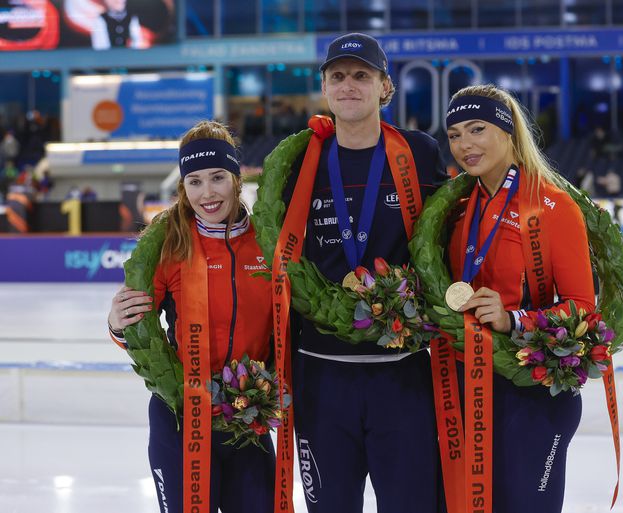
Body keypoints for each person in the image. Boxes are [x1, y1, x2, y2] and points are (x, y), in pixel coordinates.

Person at [285, 33, 445, 513]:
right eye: (337, 76)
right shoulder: (300, 159)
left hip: (402, 373)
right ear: (326, 89)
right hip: (321, 373)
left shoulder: (419, 152)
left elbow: (446, 244)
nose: (348, 85)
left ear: (383, 87)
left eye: (361, 75)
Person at [106, 120, 275, 513]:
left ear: (237, 178)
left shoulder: (268, 244)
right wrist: (116, 323)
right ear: (183, 188)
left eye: (217, 177)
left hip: (246, 417)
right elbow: (136, 330)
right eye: (194, 182)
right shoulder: (170, 247)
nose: (207, 193)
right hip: (180, 417)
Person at [445, 84, 595, 512]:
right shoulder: (457, 206)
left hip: (532, 395)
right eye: (454, 134)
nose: (464, 145)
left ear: (509, 133)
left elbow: (583, 307)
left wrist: (515, 319)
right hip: (466, 386)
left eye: (477, 129)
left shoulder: (552, 206)